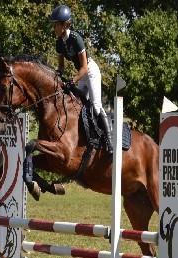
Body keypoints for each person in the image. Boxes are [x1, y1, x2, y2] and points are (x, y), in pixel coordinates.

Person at [50, 4, 112, 154]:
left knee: (96, 106)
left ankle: (110, 142)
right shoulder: (59, 43)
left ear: (65, 25)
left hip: (90, 71)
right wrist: (55, 77)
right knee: (77, 104)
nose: (54, 28)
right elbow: (61, 67)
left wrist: (73, 80)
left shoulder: (76, 38)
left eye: (56, 24)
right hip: (81, 74)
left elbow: (84, 67)